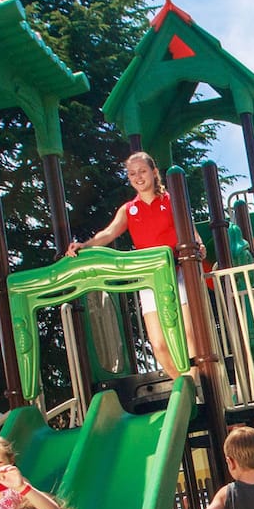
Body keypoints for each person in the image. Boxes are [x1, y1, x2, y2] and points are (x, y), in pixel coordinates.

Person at [66, 151, 184, 377]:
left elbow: (189, 230)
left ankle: (195, 381)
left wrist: (197, 244)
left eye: (142, 171)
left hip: (176, 270)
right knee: (158, 345)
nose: (138, 177)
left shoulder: (169, 200)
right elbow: (108, 232)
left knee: (187, 336)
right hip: (149, 277)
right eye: (132, 174)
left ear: (154, 172)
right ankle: (186, 386)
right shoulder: (130, 209)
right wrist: (85, 245)